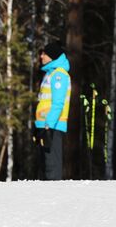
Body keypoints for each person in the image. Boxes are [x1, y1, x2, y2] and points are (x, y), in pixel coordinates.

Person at [34, 41, 71, 180]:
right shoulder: (49, 74)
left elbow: (58, 103)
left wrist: (48, 125)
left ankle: (55, 197)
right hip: (45, 126)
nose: (41, 56)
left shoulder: (59, 75)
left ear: (52, 56)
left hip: (53, 126)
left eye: (44, 54)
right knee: (44, 167)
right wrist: (38, 125)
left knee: (52, 166)